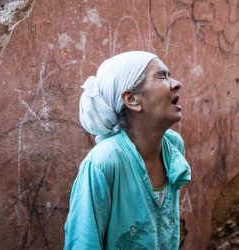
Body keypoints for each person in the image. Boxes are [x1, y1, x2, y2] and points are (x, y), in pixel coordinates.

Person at [64, 51, 191, 250]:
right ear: (132, 99)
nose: (176, 84)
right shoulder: (103, 162)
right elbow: (83, 242)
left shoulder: (173, 147)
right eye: (162, 76)